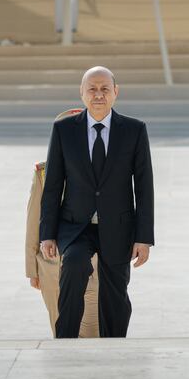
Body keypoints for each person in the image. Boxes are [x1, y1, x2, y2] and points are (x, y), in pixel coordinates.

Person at [39, 66, 154, 338]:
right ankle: (65, 340)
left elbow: (145, 187)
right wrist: (47, 235)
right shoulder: (64, 130)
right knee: (75, 265)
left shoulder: (135, 130)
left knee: (115, 294)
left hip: (118, 225)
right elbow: (53, 187)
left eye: (105, 89)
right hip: (75, 226)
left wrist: (144, 237)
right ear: (82, 93)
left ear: (116, 92)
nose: (98, 95)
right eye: (92, 88)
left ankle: (114, 345)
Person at [26, 108, 99, 338]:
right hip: (52, 268)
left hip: (93, 265)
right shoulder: (43, 172)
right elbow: (33, 222)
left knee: (92, 334)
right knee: (62, 336)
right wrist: (32, 268)